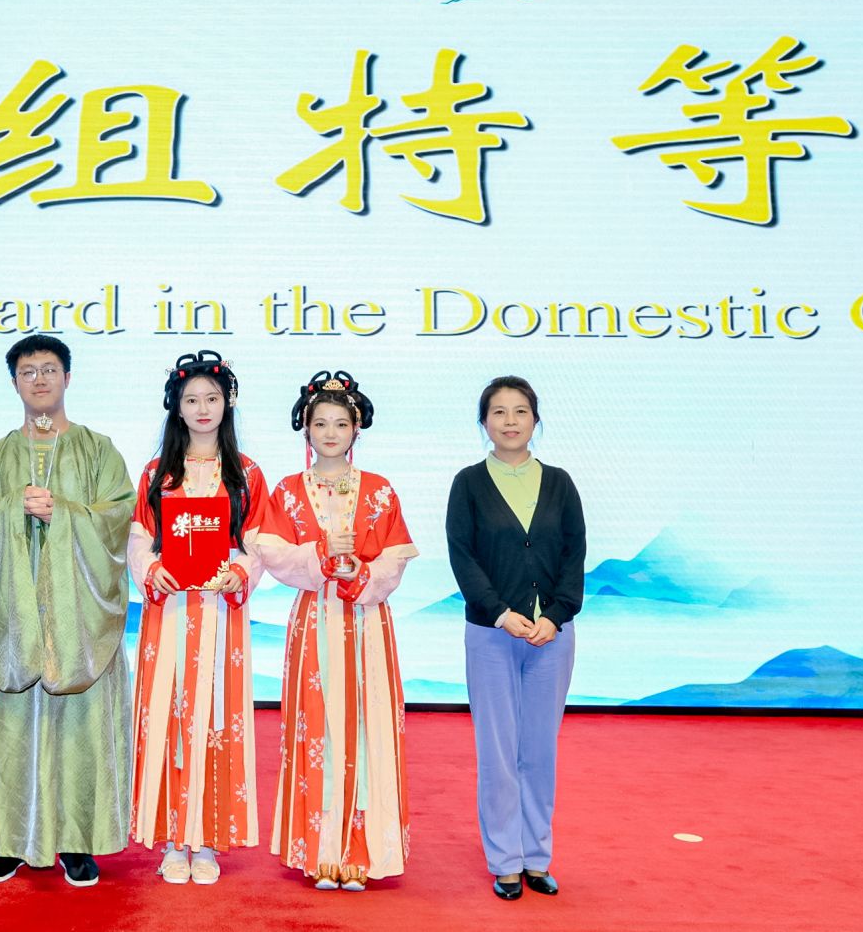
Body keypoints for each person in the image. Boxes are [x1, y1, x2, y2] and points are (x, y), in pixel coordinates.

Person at [0, 335, 135, 887]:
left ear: (67, 378)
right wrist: (13, 507)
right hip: (12, 619)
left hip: (78, 623)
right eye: (28, 370)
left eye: (49, 369)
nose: (39, 379)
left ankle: (79, 840)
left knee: (81, 730)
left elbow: (117, 520)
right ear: (14, 382)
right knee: (7, 730)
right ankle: (7, 840)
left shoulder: (99, 450)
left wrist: (65, 512)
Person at [128, 351, 281, 886]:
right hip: (169, 612)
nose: (202, 408)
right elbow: (139, 538)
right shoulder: (157, 473)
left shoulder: (246, 473)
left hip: (220, 616)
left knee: (217, 720)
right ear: (176, 406)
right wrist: (151, 568)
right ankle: (174, 838)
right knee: (169, 718)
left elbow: (259, 541)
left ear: (227, 403)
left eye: (211, 398)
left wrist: (241, 570)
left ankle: (209, 838)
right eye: (191, 399)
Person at [259, 371, 416, 892]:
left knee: (367, 727)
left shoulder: (379, 489)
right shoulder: (288, 491)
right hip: (315, 619)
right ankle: (321, 849)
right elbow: (274, 553)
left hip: (367, 621)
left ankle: (362, 850)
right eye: (320, 423)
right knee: (317, 728)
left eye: (340, 423)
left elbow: (395, 557)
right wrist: (321, 557)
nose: (330, 433)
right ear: (305, 428)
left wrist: (363, 575)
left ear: (356, 428)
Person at [444, 375, 587, 901]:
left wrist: (557, 614)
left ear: (535, 419)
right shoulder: (468, 483)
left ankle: (537, 857)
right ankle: (505, 860)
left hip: (552, 637)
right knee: (499, 751)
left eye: (520, 411)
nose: (510, 421)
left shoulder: (560, 483)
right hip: (491, 635)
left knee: (539, 751)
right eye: (499, 412)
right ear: (484, 422)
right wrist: (501, 613)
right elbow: (463, 556)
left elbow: (574, 555)